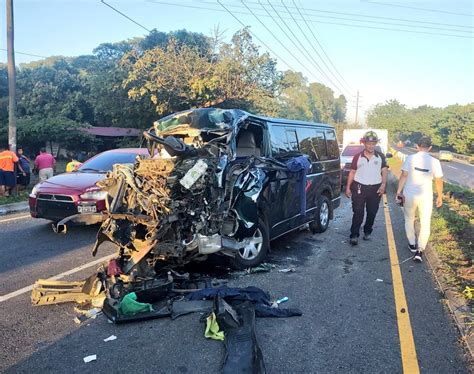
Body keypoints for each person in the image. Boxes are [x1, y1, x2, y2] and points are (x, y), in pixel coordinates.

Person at [396, 136, 443, 262]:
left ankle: (412, 244)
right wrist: (439, 196)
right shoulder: (435, 162)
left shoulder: (410, 159)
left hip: (409, 195)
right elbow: (438, 180)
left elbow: (404, 176)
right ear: (430, 148)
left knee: (409, 219)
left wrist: (398, 192)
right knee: (425, 223)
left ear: (417, 146)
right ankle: (420, 250)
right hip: (426, 196)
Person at [345, 131, 388, 246]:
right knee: (358, 212)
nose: (371, 146)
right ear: (364, 143)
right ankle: (354, 235)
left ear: (376, 144)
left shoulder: (380, 156)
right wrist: (348, 187)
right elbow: (352, 172)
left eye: (373, 143)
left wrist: (383, 184)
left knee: (372, 212)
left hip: (375, 188)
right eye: (368, 143)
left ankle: (367, 231)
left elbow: (384, 170)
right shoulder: (357, 156)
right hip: (359, 187)